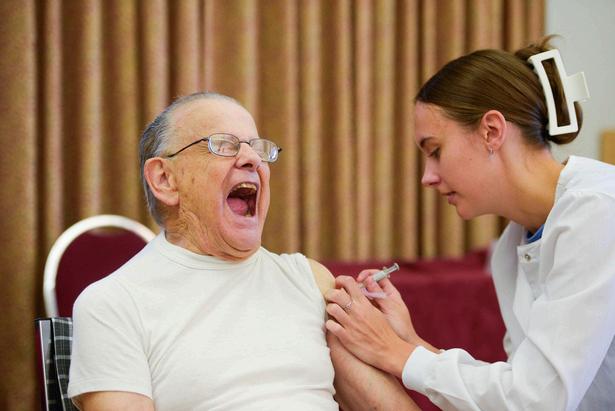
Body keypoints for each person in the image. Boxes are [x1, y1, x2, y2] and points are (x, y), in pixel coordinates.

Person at [67, 92, 418, 410]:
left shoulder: (310, 279)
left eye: (257, 148)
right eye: (223, 144)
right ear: (165, 179)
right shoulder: (112, 304)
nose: (252, 159)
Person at [324, 36, 615, 411]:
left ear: (491, 131)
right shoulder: (511, 246)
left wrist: (393, 352)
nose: (427, 178)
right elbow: (518, 389)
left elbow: (540, 401)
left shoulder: (597, 211)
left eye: (435, 151)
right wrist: (410, 341)